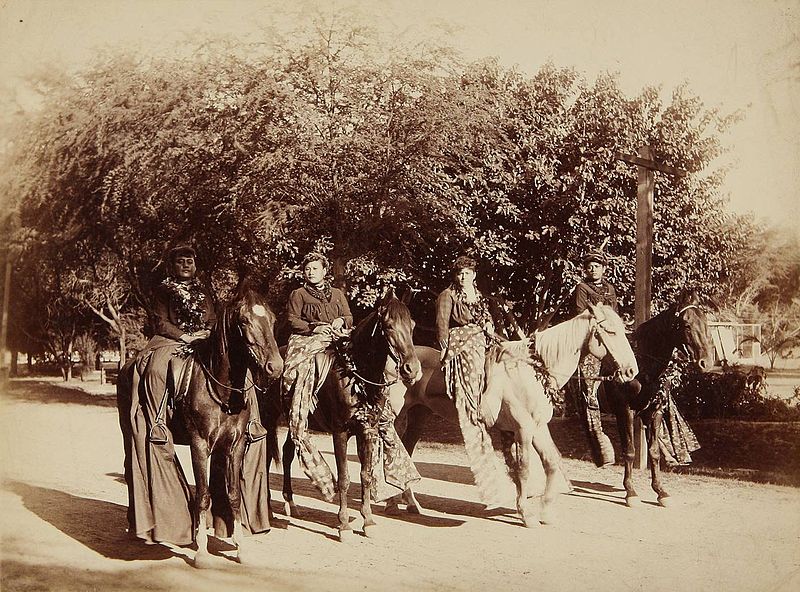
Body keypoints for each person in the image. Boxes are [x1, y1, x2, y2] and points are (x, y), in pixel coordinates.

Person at [124, 244, 216, 545]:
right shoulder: (164, 291)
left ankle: (248, 422)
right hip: (170, 341)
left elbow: (213, 318)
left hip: (202, 340)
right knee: (154, 371)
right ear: (172, 266)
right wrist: (184, 335)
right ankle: (157, 421)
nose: (186, 264)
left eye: (190, 260)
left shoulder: (204, 291)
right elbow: (159, 322)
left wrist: (206, 333)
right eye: (180, 261)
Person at [435, 255, 508, 506]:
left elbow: (485, 317)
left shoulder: (477, 294)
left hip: (482, 339)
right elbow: (442, 325)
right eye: (460, 273)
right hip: (461, 343)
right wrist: (445, 349)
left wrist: (488, 325)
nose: (464, 277)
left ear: (474, 275)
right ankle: (471, 405)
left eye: (467, 273)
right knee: (474, 367)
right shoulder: (448, 295)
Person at [281, 252, 353, 500]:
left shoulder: (338, 294)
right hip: (308, 340)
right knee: (304, 366)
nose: (311, 272)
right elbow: (292, 320)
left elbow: (349, 316)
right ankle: (302, 400)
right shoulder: (298, 294)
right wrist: (315, 327)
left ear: (325, 271)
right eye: (307, 269)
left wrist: (341, 321)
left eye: (315, 268)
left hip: (335, 338)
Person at [569, 248, 618, 467]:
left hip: (610, 336)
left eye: (597, 266)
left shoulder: (610, 288)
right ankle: (599, 443)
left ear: (604, 268)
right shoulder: (582, 288)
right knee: (590, 388)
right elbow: (581, 313)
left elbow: (614, 312)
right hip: (592, 339)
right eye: (589, 266)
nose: (593, 269)